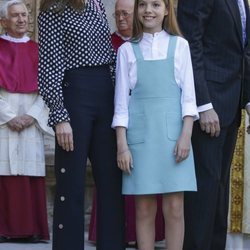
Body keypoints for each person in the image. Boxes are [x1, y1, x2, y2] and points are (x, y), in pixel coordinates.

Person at [38, 0, 125, 249]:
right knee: (71, 182)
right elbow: (49, 65)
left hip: (106, 94)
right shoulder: (53, 9)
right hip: (74, 95)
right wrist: (59, 116)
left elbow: (108, 55)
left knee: (111, 180)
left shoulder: (96, 4)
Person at [112, 0, 199, 249]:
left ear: (166, 10)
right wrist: (122, 146)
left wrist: (186, 136)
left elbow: (189, 98)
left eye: (155, 4)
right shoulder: (126, 51)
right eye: (143, 5)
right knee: (144, 208)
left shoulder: (180, 46)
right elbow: (120, 104)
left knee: (174, 208)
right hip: (140, 140)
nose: (148, 10)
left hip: (174, 138)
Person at [88, 0, 165, 246]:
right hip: (111, 119)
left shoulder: (159, 45)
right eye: (117, 14)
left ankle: (141, 235)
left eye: (126, 13)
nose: (121, 18)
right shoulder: (107, 44)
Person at [177, 0, 250, 249]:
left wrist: (247, 98)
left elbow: (243, 50)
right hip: (210, 106)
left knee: (219, 190)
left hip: (232, 101)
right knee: (204, 191)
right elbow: (191, 45)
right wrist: (203, 104)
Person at [0, 0, 52, 243]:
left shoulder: (39, 49)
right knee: (4, 171)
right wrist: (9, 116)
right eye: (15, 16)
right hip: (3, 119)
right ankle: (5, 229)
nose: (21, 19)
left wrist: (32, 115)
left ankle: (31, 228)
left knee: (29, 171)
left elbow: (49, 89)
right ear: (4, 21)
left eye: (24, 15)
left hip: (32, 118)